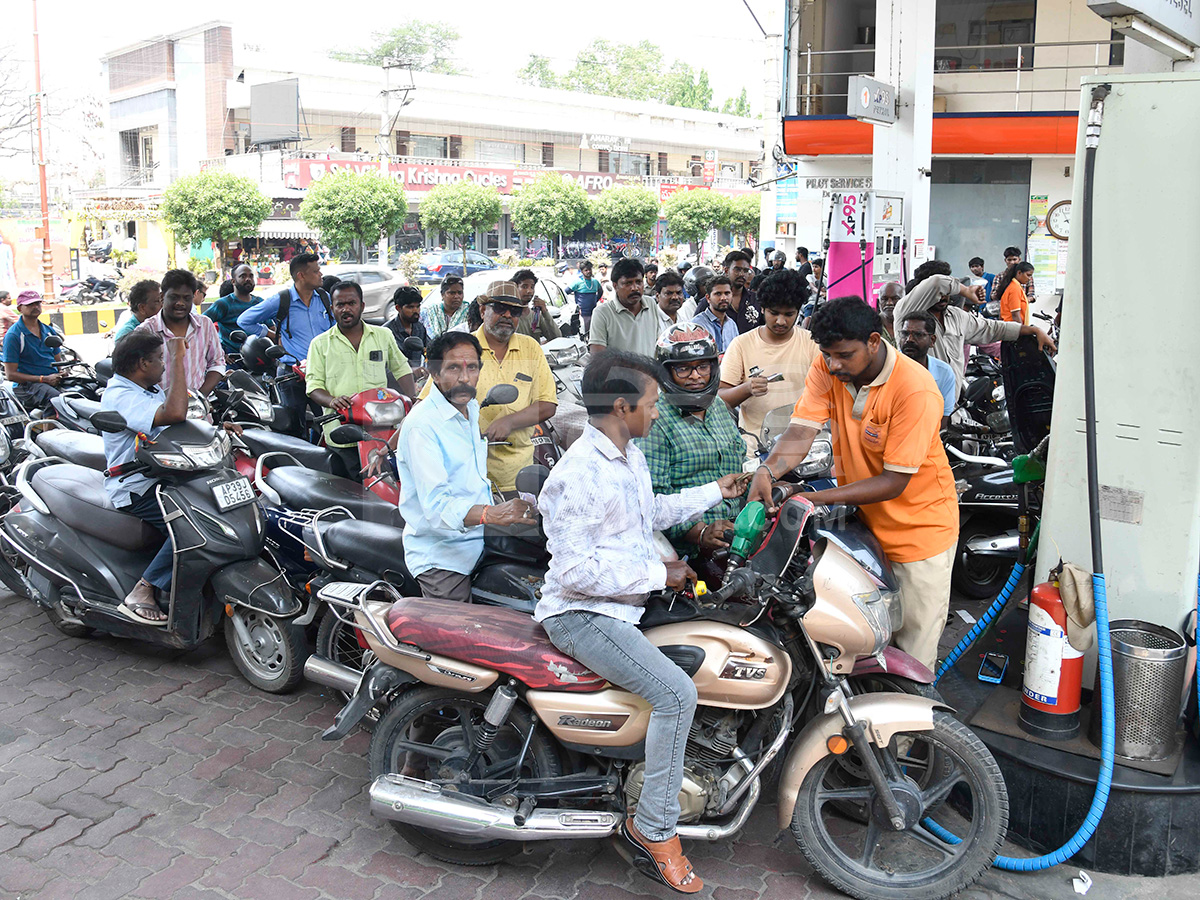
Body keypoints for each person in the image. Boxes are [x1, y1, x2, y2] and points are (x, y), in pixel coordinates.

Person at [534, 349, 746, 894]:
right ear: (623, 405)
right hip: (583, 614)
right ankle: (652, 826)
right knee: (676, 694)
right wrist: (658, 573)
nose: (658, 412)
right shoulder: (579, 473)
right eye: (652, 402)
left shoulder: (628, 453)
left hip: (625, 603)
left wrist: (715, 493)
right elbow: (576, 571)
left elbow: (648, 514)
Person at [749, 297, 959, 671]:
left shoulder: (916, 389)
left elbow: (893, 482)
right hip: (864, 533)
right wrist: (768, 471)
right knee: (864, 641)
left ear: (875, 341)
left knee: (910, 655)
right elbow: (800, 430)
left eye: (844, 355)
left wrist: (811, 496)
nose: (833, 365)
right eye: (827, 355)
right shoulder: (828, 366)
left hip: (920, 535)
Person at [396, 331, 534, 601]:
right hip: (442, 555)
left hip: (477, 541)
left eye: (472, 367)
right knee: (464, 635)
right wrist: (490, 514)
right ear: (434, 374)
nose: (464, 377)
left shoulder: (469, 408)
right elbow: (437, 508)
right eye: (453, 368)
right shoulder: (422, 426)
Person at [418, 281, 557, 493]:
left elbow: (547, 404)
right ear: (483, 310)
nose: (508, 316)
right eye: (500, 308)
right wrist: (389, 447)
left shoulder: (531, 348)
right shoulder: (461, 348)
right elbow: (425, 405)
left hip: (517, 475)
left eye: (515, 311)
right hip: (464, 476)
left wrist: (509, 421)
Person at [637, 324, 747, 574]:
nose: (696, 376)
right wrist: (700, 533)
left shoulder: (718, 406)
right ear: (666, 372)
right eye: (683, 368)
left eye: (703, 366)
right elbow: (651, 504)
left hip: (738, 530)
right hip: (690, 552)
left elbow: (739, 463)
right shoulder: (655, 419)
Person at [101, 331, 189, 624]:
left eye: (166, 358)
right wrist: (178, 356)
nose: (164, 365)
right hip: (136, 486)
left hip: (163, 478)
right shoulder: (121, 396)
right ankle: (143, 589)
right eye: (160, 359)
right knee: (191, 523)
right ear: (142, 363)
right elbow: (174, 413)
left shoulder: (145, 390)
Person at [306, 281, 415, 479]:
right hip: (341, 432)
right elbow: (313, 386)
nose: (346, 309)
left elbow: (401, 369)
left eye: (351, 303)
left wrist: (413, 400)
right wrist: (331, 400)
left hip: (382, 429)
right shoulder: (319, 344)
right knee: (348, 490)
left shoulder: (383, 335)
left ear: (362, 306)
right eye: (340, 305)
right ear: (332, 309)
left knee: (391, 483)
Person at [895, 260, 1055, 391]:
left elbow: (993, 328)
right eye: (941, 291)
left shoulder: (956, 316)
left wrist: (1034, 330)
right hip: (915, 402)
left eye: (948, 291)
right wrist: (966, 290)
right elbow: (937, 282)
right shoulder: (907, 312)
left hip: (949, 408)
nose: (944, 295)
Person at [719, 268, 820, 454]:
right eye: (774, 313)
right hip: (755, 450)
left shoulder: (812, 343)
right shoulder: (741, 345)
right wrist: (747, 389)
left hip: (807, 451)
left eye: (789, 314)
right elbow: (719, 398)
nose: (781, 321)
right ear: (762, 309)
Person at [237, 252, 334, 423]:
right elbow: (244, 320)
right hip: (292, 375)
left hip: (323, 373)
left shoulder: (324, 298)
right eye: (316, 271)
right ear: (301, 275)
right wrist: (270, 334)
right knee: (294, 426)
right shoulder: (282, 300)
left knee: (329, 421)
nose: (321, 274)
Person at [136, 269, 226, 396]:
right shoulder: (145, 331)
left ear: (194, 296)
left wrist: (199, 397)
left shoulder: (205, 325)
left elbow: (217, 363)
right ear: (162, 297)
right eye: (174, 297)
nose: (180, 303)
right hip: (159, 410)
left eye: (186, 298)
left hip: (198, 411)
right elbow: (135, 376)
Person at [588, 258, 661, 359]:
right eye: (628, 283)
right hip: (619, 374)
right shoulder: (602, 313)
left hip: (650, 373)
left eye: (639, 282)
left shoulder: (651, 304)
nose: (635, 288)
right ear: (615, 286)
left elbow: (658, 343)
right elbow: (597, 358)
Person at [3, 291, 63, 410]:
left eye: (37, 303)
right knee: (55, 400)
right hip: (26, 386)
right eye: (30, 304)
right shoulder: (14, 335)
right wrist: (43, 379)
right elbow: (11, 375)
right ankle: (50, 428)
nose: (35, 307)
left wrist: (62, 372)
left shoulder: (49, 330)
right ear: (20, 308)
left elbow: (58, 361)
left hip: (51, 379)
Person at [898, 312, 956, 427]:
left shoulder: (944, 373)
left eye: (918, 335)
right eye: (905, 334)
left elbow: (943, 418)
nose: (909, 339)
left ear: (932, 340)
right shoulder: (886, 367)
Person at [204, 264, 263, 354]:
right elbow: (201, 325)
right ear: (233, 281)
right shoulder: (223, 304)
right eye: (242, 276)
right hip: (232, 358)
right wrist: (218, 351)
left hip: (259, 357)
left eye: (251, 276)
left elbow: (271, 328)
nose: (248, 279)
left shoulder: (260, 303)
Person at [385, 285, 428, 376]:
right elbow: (382, 367)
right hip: (395, 383)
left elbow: (429, 350)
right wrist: (409, 371)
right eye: (410, 307)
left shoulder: (420, 328)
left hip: (419, 382)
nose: (416, 311)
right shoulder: (386, 332)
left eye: (418, 306)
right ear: (398, 308)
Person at [511, 268, 561, 342]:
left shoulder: (536, 316)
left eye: (532, 287)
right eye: (524, 287)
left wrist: (545, 311)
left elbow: (557, 338)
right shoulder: (509, 315)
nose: (529, 291)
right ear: (515, 288)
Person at [692, 275, 738, 354]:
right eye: (718, 294)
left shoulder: (731, 325)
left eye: (727, 293)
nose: (723, 298)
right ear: (708, 298)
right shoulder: (697, 325)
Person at [564, 260, 603, 334]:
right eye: (586, 270)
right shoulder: (577, 282)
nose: (588, 272)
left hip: (593, 312)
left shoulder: (595, 282)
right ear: (582, 271)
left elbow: (600, 292)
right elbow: (565, 292)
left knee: (594, 333)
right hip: (582, 314)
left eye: (590, 269)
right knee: (584, 333)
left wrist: (595, 300)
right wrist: (574, 306)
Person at [877, 280, 903, 346]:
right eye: (884, 299)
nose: (889, 303)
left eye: (895, 298)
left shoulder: (911, 326)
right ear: (879, 302)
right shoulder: (870, 326)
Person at [0, 291, 16, 355]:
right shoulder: (4, 309)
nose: (11, 300)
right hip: (4, 340)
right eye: (9, 298)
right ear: (2, 300)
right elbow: (20, 321)